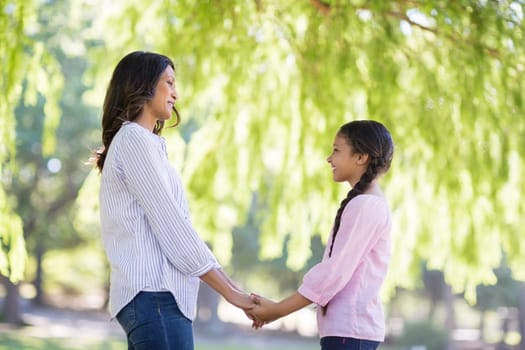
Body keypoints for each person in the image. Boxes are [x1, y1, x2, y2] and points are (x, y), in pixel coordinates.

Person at [92, 51, 255, 350]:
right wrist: (233, 296)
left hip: (159, 301)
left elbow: (176, 230)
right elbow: (175, 232)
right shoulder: (133, 141)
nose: (175, 94)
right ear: (143, 85)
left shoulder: (144, 144)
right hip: (154, 297)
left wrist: (236, 290)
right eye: (169, 82)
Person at [248, 120, 394, 350]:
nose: (329, 158)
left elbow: (332, 274)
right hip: (348, 333)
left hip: (350, 333)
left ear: (361, 157)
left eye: (336, 150)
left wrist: (277, 310)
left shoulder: (366, 205)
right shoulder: (365, 203)